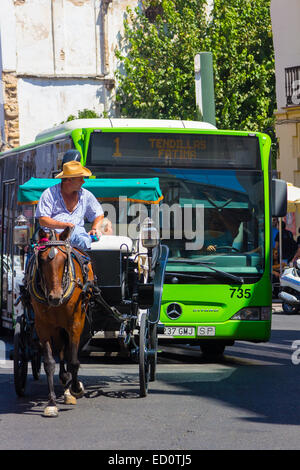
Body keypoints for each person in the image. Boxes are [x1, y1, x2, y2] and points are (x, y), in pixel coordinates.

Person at [35, 160, 104, 251]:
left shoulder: (86, 195)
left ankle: (85, 264)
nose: (83, 182)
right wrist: (65, 225)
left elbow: (99, 214)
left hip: (78, 235)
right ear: (68, 180)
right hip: (51, 236)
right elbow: (43, 220)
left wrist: (95, 228)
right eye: (80, 179)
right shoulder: (49, 193)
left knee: (82, 240)